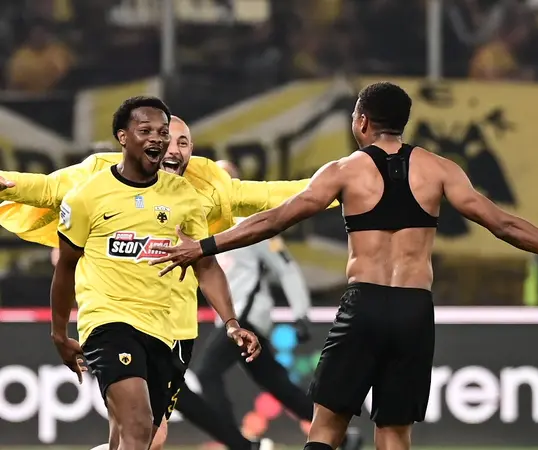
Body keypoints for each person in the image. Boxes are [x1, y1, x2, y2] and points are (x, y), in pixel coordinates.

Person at [149, 81, 538, 450]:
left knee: (326, 427)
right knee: (395, 432)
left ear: (362, 121)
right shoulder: (440, 170)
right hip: (414, 310)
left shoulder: (345, 170)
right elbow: (504, 225)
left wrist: (203, 246)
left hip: (363, 306)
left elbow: (274, 219)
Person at [0, 113, 336, 450]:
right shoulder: (100, 178)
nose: (172, 148)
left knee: (150, 439)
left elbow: (261, 202)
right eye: (164, 139)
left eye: (183, 142)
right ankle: (241, 444)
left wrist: (336, 188)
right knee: (138, 426)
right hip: (112, 320)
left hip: (172, 330)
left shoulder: (195, 196)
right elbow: (48, 189)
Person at [51, 96, 261, 450]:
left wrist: (231, 322)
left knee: (143, 438)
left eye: (163, 132)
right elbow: (66, 268)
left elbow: (206, 265)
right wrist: (59, 334)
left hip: (164, 330)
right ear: (122, 137)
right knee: (137, 425)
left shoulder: (184, 197)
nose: (158, 139)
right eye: (145, 130)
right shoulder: (88, 196)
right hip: (108, 323)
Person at [184, 160, 362, 450]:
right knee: (277, 384)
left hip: (247, 317)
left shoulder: (248, 225)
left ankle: (235, 443)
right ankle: (341, 436)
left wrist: (301, 312)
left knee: (207, 372)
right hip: (233, 319)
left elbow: (286, 268)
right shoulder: (204, 224)